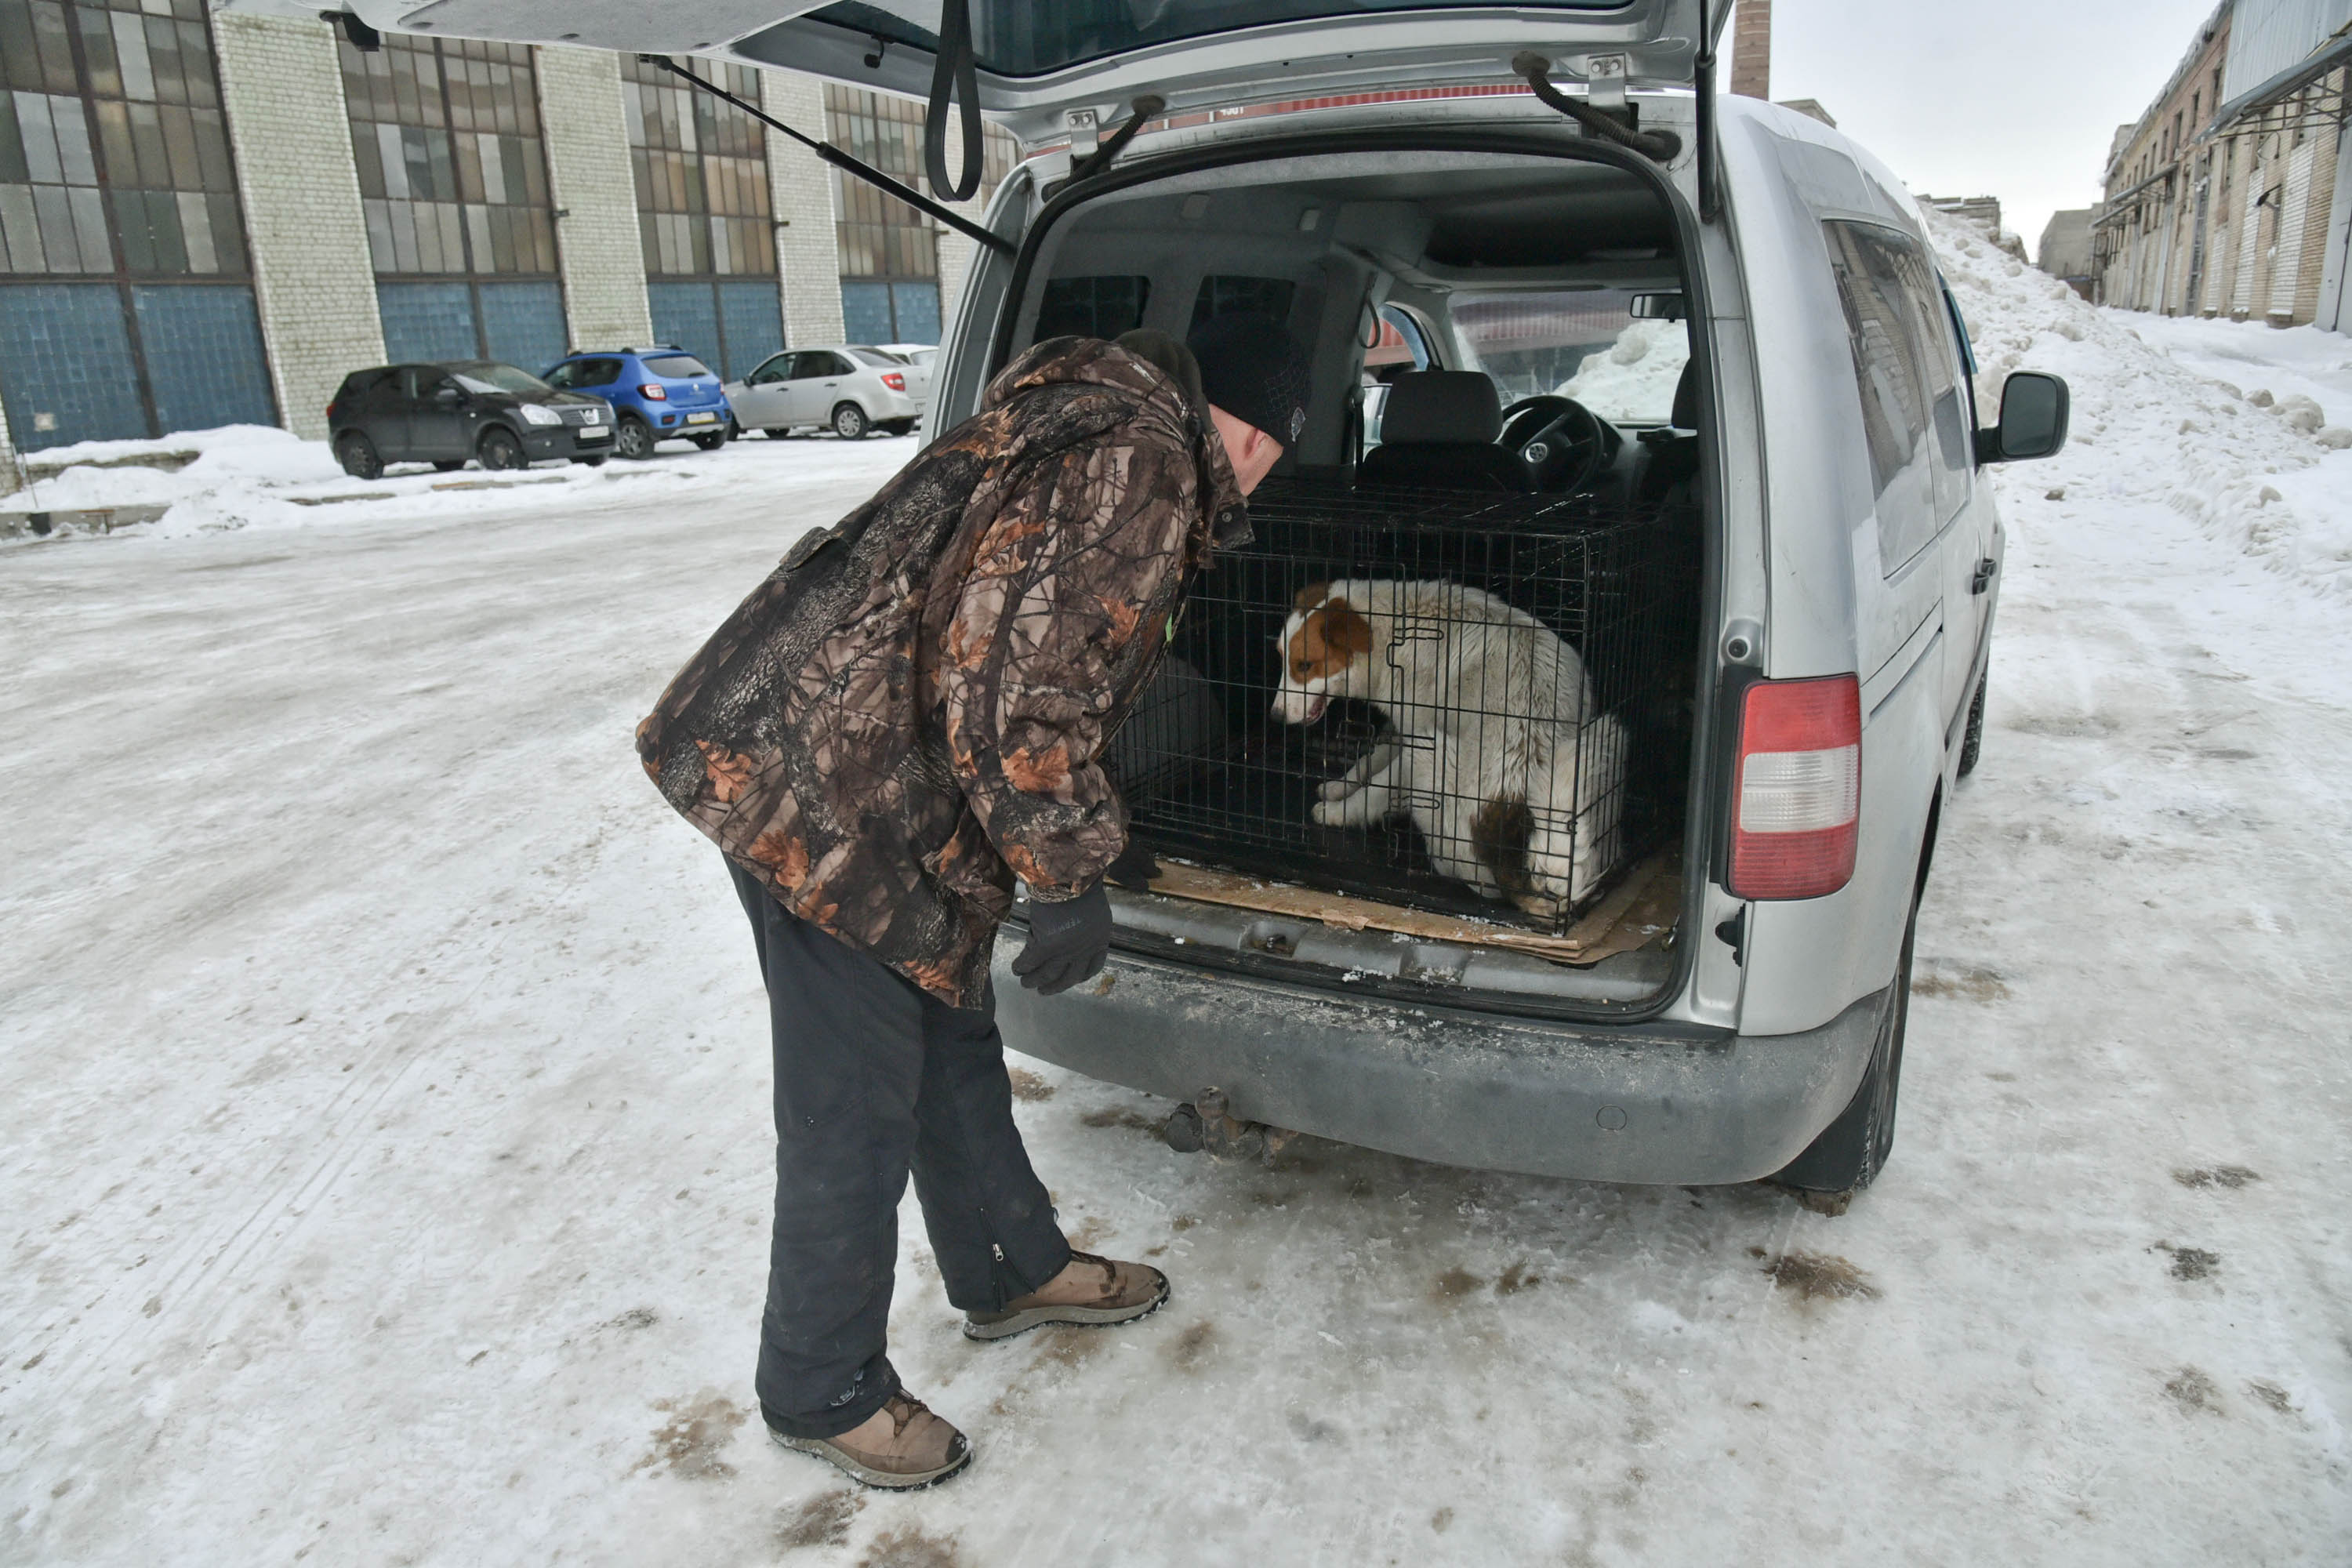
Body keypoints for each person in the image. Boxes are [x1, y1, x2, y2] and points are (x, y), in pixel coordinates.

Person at [635, 314, 1312, 1489]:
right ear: (1253, 429)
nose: (1269, 475)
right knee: (854, 1107)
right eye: (1282, 448)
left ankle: (1011, 1267)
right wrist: (1062, 868)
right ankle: (819, 1385)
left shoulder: (1090, 417)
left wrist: (1074, 835)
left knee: (951, 1042)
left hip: (884, 785)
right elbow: (1016, 675)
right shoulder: (1139, 459)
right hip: (826, 802)